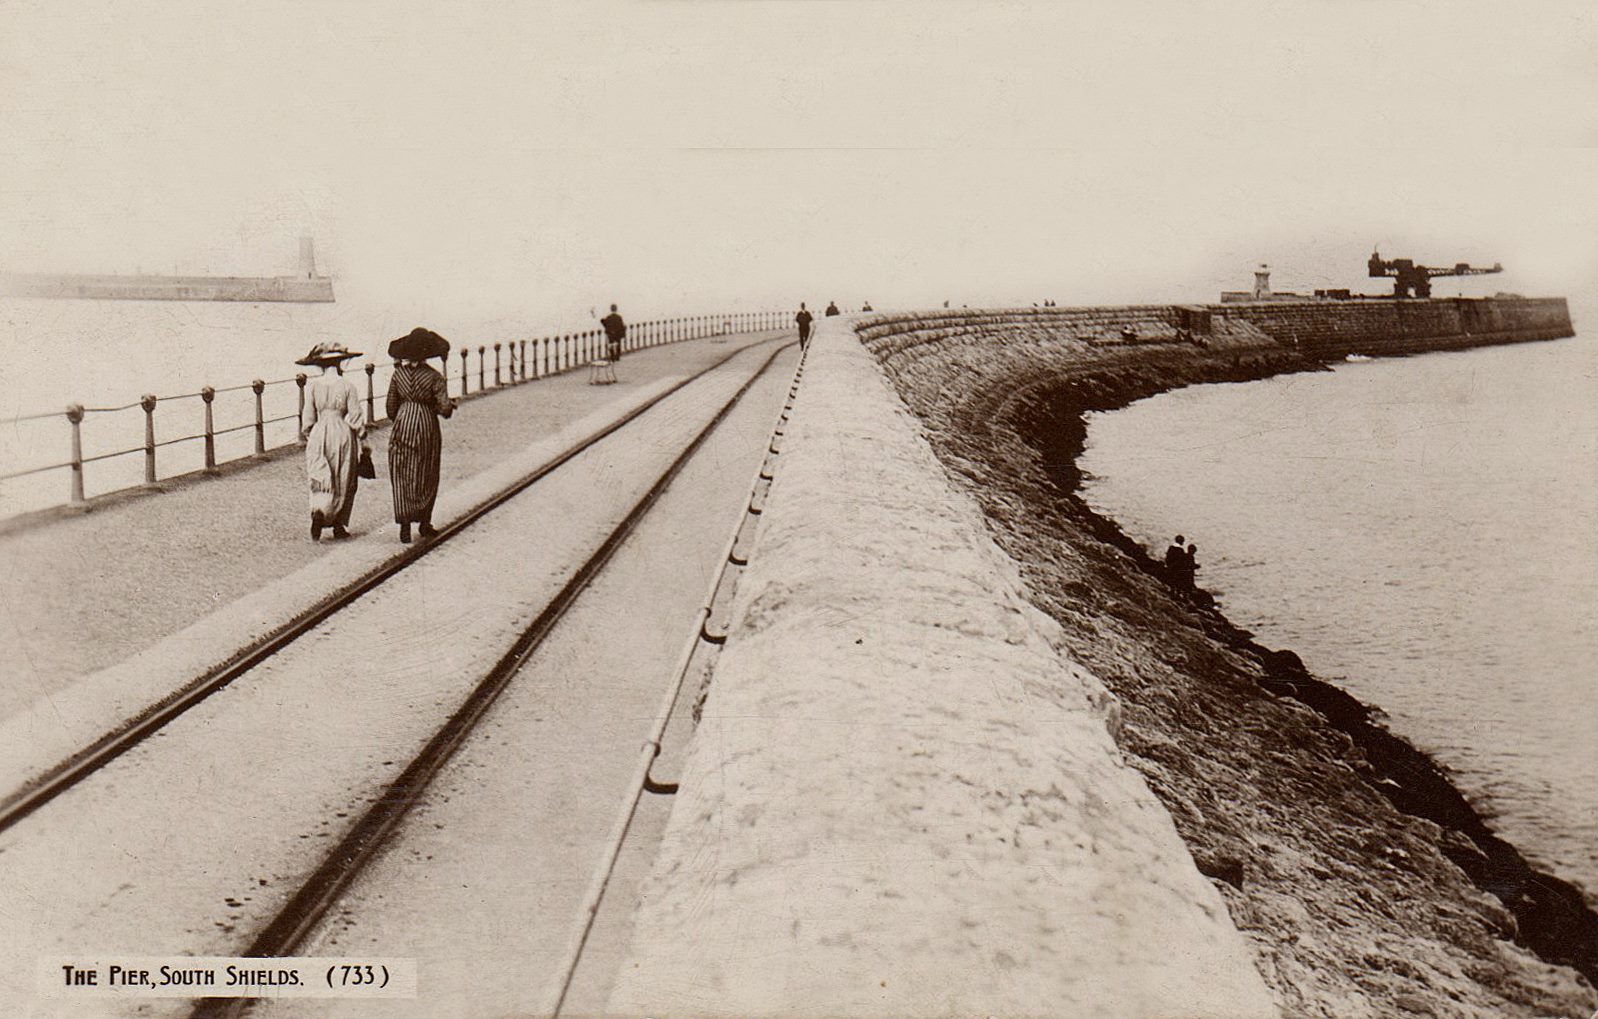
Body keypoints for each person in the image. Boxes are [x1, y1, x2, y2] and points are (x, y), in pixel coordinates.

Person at [385, 328, 457, 544]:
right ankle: (424, 522)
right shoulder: (434, 376)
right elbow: (445, 409)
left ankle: (404, 524)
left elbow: (390, 407)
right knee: (427, 470)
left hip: (402, 423)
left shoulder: (398, 375)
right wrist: (447, 405)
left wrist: (402, 416)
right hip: (427, 425)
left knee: (401, 470)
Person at [296, 341, 367, 542]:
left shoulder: (313, 386)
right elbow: (355, 416)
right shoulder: (347, 386)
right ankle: (337, 523)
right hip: (342, 432)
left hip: (320, 432)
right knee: (343, 476)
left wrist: (311, 435)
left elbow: (308, 417)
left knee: (321, 475)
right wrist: (362, 436)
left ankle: (319, 510)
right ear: (340, 363)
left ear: (320, 365)